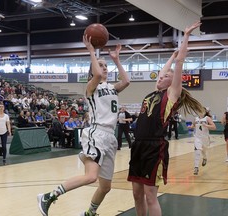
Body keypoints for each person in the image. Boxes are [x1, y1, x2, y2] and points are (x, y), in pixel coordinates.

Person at [37, 34, 130, 216]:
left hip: (110, 137)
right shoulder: (91, 87)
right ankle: (48, 196)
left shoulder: (112, 88)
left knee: (105, 186)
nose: (104, 68)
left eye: (106, 66)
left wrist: (117, 60)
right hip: (96, 133)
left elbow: (126, 81)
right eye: (101, 65)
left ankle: (89, 213)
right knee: (91, 176)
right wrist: (91, 51)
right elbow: (96, 73)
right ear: (93, 70)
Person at [127, 21, 204, 216]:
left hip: (155, 147)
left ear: (173, 82)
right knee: (137, 195)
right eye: (160, 76)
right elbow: (165, 70)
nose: (161, 77)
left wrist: (185, 37)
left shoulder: (171, 95)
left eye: (166, 76)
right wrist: (170, 57)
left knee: (150, 196)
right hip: (139, 145)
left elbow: (179, 64)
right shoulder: (154, 92)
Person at [188, 108, 216, 175]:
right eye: (199, 110)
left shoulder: (207, 118)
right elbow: (193, 125)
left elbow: (214, 127)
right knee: (197, 151)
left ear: (205, 112)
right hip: (197, 137)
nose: (200, 112)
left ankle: (205, 158)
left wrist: (206, 125)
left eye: (201, 111)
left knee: (203, 151)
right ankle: (196, 167)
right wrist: (191, 127)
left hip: (205, 138)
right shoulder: (196, 119)